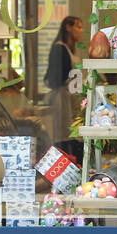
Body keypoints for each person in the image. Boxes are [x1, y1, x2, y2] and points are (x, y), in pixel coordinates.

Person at [44, 15, 83, 143]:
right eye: (78, 27)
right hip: (63, 102)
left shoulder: (69, 50)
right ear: (68, 28)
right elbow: (53, 78)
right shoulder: (59, 49)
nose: (81, 31)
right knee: (66, 137)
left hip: (72, 101)